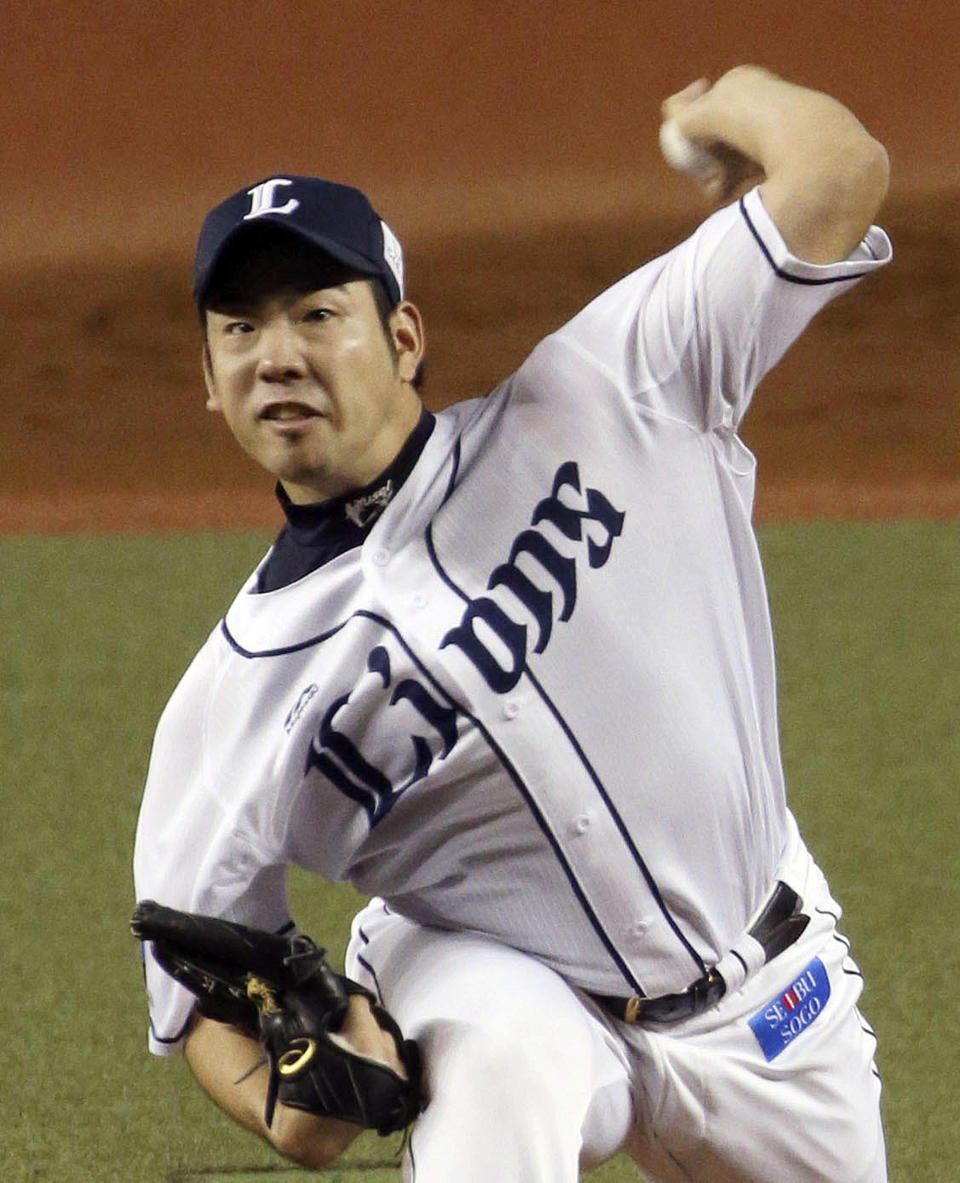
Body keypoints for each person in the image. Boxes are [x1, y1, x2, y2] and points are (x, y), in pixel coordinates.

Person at [133, 65, 892, 1181]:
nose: (278, 353)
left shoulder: (610, 387)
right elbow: (197, 990)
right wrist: (289, 1116)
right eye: (239, 328)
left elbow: (840, 171)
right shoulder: (229, 702)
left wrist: (715, 105)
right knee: (497, 1055)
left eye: (317, 314)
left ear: (402, 336)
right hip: (503, 987)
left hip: (767, 994)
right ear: (208, 377)